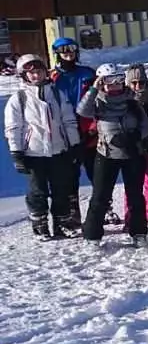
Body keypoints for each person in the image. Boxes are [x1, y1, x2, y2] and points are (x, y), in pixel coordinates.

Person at [5, 54, 80, 240]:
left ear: (45, 73)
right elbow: (14, 127)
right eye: (30, 73)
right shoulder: (19, 99)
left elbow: (68, 121)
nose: (36, 76)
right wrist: (17, 152)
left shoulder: (56, 94)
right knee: (37, 191)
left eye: (39, 71)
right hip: (34, 152)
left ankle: (62, 223)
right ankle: (40, 224)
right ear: (24, 76)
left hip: (58, 150)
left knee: (61, 189)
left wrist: (74, 144)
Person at [77, 63, 148, 247]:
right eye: (109, 81)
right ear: (102, 82)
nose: (115, 85)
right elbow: (82, 111)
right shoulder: (98, 101)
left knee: (135, 195)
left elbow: (145, 125)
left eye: (119, 80)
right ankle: (92, 235)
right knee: (100, 195)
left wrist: (135, 137)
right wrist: (94, 88)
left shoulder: (132, 101)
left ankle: (139, 232)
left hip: (132, 153)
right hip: (107, 154)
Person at [48, 37, 96, 228]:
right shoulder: (52, 77)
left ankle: (104, 208)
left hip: (89, 131)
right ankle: (72, 213)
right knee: (69, 176)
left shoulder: (87, 73)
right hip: (65, 134)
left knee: (97, 173)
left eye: (72, 49)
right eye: (63, 50)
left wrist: (94, 127)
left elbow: (99, 101)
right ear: (57, 53)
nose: (68, 53)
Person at [125, 63, 148, 229]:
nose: (138, 87)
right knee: (132, 184)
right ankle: (130, 216)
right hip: (132, 148)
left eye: (141, 82)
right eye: (133, 83)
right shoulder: (122, 101)